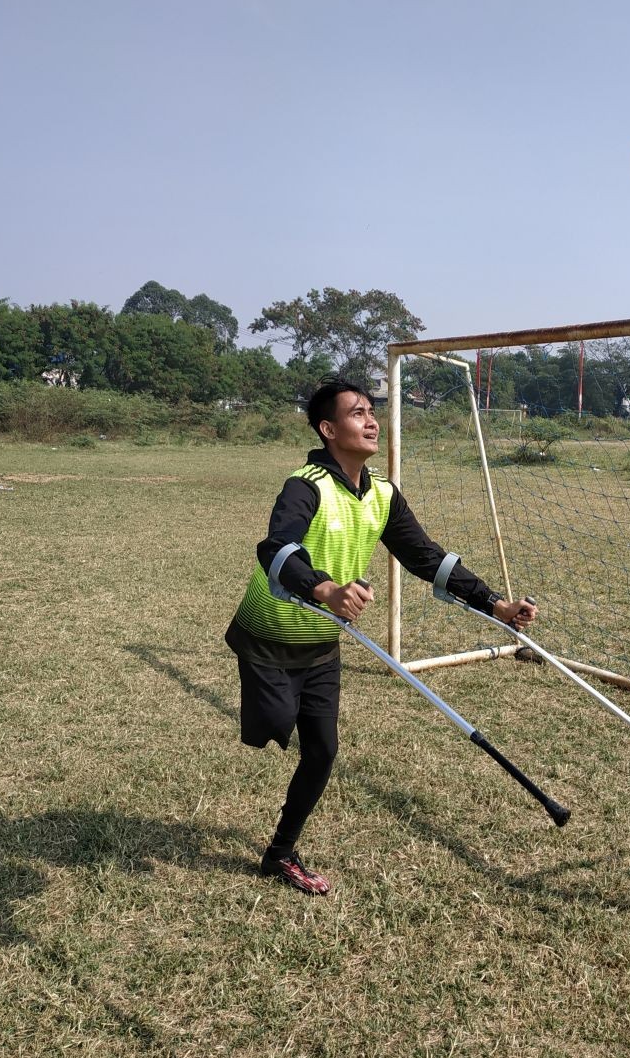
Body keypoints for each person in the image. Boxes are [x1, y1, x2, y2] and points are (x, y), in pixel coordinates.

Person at [225, 378, 537, 895]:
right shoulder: (304, 486)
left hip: (322, 643)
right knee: (271, 727)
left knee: (322, 751)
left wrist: (495, 604)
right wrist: (323, 588)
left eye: (372, 411)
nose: (371, 421)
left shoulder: (384, 495)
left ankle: (280, 853)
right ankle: (267, 718)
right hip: (267, 637)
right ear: (328, 429)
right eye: (356, 413)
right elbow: (274, 548)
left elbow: (426, 558)